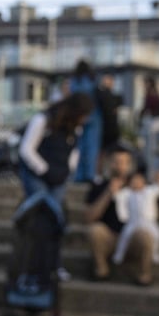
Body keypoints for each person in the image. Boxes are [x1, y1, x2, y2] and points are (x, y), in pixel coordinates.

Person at [84, 145, 159, 286]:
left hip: (134, 236)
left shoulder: (142, 187)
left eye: (124, 162)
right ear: (109, 163)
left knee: (146, 235)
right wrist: (108, 193)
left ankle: (144, 274)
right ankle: (101, 270)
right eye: (116, 162)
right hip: (111, 237)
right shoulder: (100, 185)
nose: (120, 166)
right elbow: (89, 218)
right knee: (95, 231)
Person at [14, 92, 94, 228]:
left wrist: (68, 170)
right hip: (36, 175)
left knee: (55, 215)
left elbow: (74, 151)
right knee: (39, 212)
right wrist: (45, 169)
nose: (85, 120)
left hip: (59, 177)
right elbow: (26, 149)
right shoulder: (43, 120)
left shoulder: (75, 128)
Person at [111, 171, 159, 267]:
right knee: (124, 237)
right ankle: (119, 255)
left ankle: (155, 253)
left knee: (158, 235)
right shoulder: (127, 192)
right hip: (133, 221)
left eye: (139, 180)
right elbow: (117, 196)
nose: (136, 183)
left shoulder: (150, 191)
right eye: (134, 180)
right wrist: (115, 187)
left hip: (149, 221)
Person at [68, 59, 102, 183]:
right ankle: (90, 174)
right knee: (92, 148)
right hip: (94, 116)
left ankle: (79, 174)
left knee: (80, 147)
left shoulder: (74, 82)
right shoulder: (92, 79)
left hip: (79, 116)